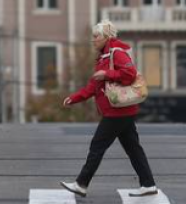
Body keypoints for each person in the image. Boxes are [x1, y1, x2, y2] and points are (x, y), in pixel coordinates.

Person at [60, 20, 157, 197]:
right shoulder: (104, 57)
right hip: (122, 111)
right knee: (133, 149)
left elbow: (130, 74)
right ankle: (148, 184)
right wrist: (73, 98)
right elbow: (92, 87)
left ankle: (81, 183)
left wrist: (107, 73)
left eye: (96, 36)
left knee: (97, 145)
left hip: (117, 112)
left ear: (107, 37)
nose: (93, 40)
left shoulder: (117, 53)